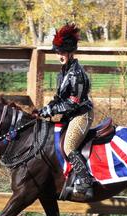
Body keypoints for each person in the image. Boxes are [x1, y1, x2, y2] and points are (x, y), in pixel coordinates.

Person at [39, 23, 94, 200]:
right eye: (57, 52)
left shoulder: (77, 73)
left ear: (70, 52)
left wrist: (52, 109)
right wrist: (44, 109)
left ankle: (85, 180)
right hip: (69, 114)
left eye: (62, 52)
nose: (59, 55)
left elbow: (73, 103)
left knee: (69, 146)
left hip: (81, 115)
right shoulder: (63, 72)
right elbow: (58, 98)